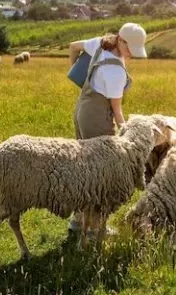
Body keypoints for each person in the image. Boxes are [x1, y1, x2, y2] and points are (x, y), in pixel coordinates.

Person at [66, 22, 148, 234]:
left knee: (84, 167)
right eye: (130, 49)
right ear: (121, 41)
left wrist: (79, 76)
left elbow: (73, 46)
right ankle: (94, 227)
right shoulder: (115, 72)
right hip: (97, 118)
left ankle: (77, 220)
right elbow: (117, 110)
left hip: (82, 110)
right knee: (100, 173)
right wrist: (127, 132)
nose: (131, 55)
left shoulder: (100, 44)